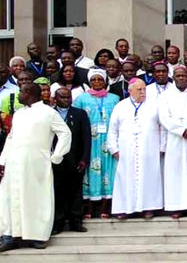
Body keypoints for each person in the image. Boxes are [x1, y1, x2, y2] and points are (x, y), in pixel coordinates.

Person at [0, 84, 71, 251]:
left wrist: (56, 156)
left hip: (37, 164)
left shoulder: (49, 112)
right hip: (13, 163)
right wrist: (2, 161)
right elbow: (11, 138)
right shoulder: (19, 114)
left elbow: (65, 133)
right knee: (10, 198)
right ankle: (10, 235)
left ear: (30, 93)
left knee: (37, 199)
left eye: (21, 92)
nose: (18, 95)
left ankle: (37, 236)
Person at [107, 78, 163, 219]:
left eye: (144, 89)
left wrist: (162, 147)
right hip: (127, 150)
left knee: (149, 177)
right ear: (130, 91)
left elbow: (163, 127)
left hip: (149, 148)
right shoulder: (120, 106)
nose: (143, 92)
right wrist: (114, 149)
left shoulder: (155, 105)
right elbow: (113, 130)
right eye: (139, 90)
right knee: (125, 178)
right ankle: (124, 208)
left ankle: (148, 208)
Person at [73, 69, 119, 219]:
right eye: (94, 80)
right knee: (90, 172)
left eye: (100, 80)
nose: (97, 82)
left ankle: (106, 206)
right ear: (89, 82)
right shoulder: (81, 99)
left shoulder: (114, 98)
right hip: (90, 142)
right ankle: (89, 208)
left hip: (108, 141)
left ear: (105, 81)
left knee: (108, 171)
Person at [158, 66, 187, 219]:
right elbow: (164, 118)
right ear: (173, 77)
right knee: (175, 173)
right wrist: (182, 130)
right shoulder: (165, 96)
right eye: (178, 75)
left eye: (184, 75)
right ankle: (176, 207)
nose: (181, 78)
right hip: (175, 139)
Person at [51, 88, 91, 234]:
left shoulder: (80, 114)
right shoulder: (50, 114)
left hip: (75, 159)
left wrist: (84, 159)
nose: (66, 100)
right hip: (56, 160)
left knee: (76, 191)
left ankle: (76, 222)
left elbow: (86, 138)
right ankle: (58, 223)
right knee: (57, 191)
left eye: (68, 97)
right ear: (55, 98)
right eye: (62, 97)